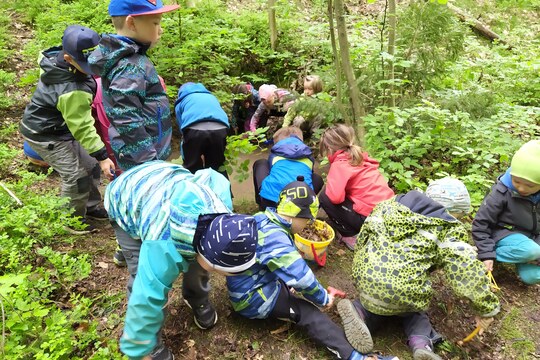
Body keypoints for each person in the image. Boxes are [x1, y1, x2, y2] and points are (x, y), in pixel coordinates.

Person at [217, 178, 398, 360]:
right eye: (307, 221)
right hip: (253, 299)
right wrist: (323, 298)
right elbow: (302, 278)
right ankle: (358, 357)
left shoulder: (262, 218)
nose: (306, 226)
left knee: (291, 286)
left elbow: (268, 259)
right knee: (307, 312)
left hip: (247, 282)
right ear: (299, 215)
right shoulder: (276, 239)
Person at [337, 178, 500, 360]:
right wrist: (486, 308)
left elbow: (363, 239)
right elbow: (465, 270)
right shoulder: (446, 227)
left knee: (374, 299)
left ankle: (359, 312)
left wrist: (360, 270)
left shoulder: (388, 206)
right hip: (406, 291)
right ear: (452, 212)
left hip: (368, 277)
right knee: (415, 313)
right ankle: (422, 344)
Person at [104, 160, 234, 360]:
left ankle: (195, 298)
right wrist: (140, 347)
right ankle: (152, 345)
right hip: (127, 196)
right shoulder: (161, 246)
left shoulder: (225, 212)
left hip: (162, 184)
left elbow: (211, 174)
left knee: (197, 264)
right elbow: (145, 297)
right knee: (141, 271)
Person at [19, 25, 115, 233]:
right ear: (68, 58)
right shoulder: (72, 90)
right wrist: (103, 155)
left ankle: (89, 207)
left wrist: (97, 159)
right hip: (45, 134)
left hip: (61, 127)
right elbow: (82, 127)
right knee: (76, 176)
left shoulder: (59, 63)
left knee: (91, 165)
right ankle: (70, 219)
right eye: (87, 66)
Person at [88, 0, 179, 171]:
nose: (161, 29)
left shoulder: (130, 57)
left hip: (144, 155)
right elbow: (126, 118)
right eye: (155, 23)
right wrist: (150, 163)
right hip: (143, 161)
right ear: (131, 23)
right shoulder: (129, 66)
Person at [472, 139, 540, 285]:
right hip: (504, 235)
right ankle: (480, 253)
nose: (521, 188)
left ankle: (527, 256)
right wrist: (486, 254)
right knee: (533, 251)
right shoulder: (501, 192)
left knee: (532, 276)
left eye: (530, 185)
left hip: (531, 241)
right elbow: (481, 223)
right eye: (516, 181)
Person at [318, 124, 394, 250]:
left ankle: (351, 236)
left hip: (369, 218)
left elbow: (335, 198)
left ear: (330, 149)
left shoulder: (340, 164)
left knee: (325, 196)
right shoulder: (360, 157)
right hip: (388, 213)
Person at [252, 127, 323, 210]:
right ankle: (306, 205)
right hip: (299, 203)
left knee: (261, 163)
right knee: (316, 178)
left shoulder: (275, 154)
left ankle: (261, 205)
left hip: (271, 201)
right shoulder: (308, 156)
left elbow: (272, 172)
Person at [174, 82, 230, 178]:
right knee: (217, 167)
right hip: (220, 129)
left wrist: (186, 156)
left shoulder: (181, 101)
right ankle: (224, 191)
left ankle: (195, 190)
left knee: (192, 168)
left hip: (193, 129)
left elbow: (182, 131)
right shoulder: (211, 97)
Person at [282, 75, 327, 140]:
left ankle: (314, 135)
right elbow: (291, 113)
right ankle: (296, 136)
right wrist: (285, 126)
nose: (307, 91)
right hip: (302, 123)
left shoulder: (319, 99)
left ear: (316, 89)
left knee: (321, 116)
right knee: (299, 119)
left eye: (310, 89)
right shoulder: (301, 99)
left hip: (312, 122)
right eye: (305, 88)